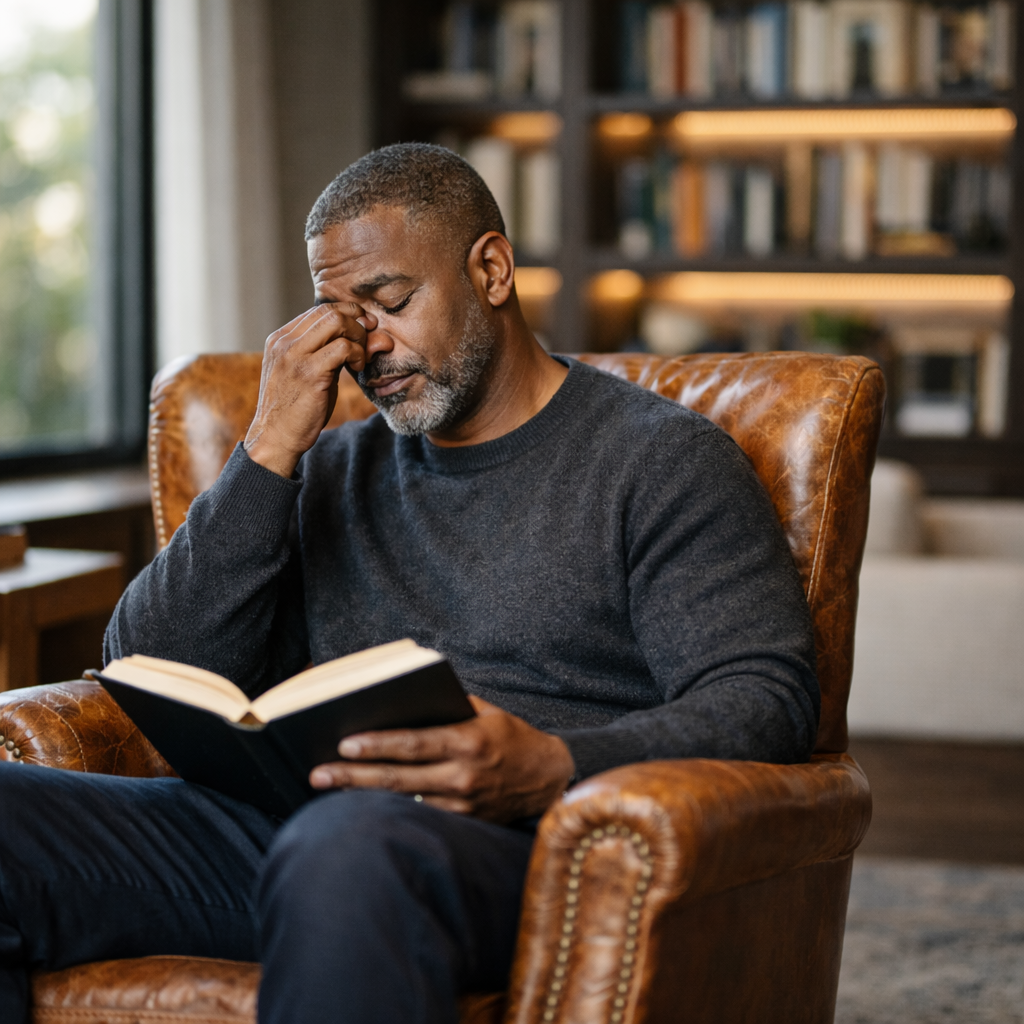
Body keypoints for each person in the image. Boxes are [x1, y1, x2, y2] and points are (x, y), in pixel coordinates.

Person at [0, 144, 819, 1024]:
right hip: (290, 828)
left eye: (391, 302)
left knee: (349, 844)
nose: (371, 347)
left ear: (492, 270)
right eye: (343, 319)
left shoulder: (658, 461)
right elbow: (147, 665)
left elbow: (765, 698)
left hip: (525, 847)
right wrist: (268, 447)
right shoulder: (324, 468)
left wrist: (552, 765)